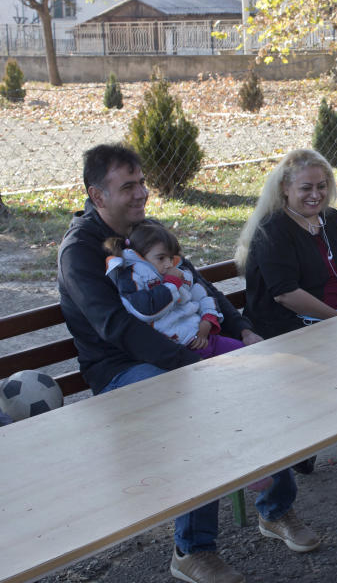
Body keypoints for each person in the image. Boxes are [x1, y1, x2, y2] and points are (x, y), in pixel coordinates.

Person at [58, 144, 320, 583]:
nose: (142, 193)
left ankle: (275, 509)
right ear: (97, 195)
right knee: (196, 407)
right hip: (122, 370)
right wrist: (193, 365)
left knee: (264, 376)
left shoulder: (145, 230)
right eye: (128, 186)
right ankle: (191, 551)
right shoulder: (81, 253)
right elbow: (118, 329)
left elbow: (202, 288)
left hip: (182, 356)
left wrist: (244, 331)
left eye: (141, 182)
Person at [235, 148, 337, 457]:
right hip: (288, 326)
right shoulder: (273, 230)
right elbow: (285, 294)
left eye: (321, 186)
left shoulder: (330, 219)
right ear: (284, 188)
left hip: (336, 319)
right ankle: (310, 442)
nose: (316, 194)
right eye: (305, 188)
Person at [104, 219, 244, 358]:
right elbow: (146, 310)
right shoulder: (132, 277)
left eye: (171, 258)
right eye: (161, 258)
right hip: (180, 350)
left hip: (205, 339)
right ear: (139, 256)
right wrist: (171, 284)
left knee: (246, 355)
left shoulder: (177, 272)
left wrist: (208, 319)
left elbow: (201, 295)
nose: (168, 264)